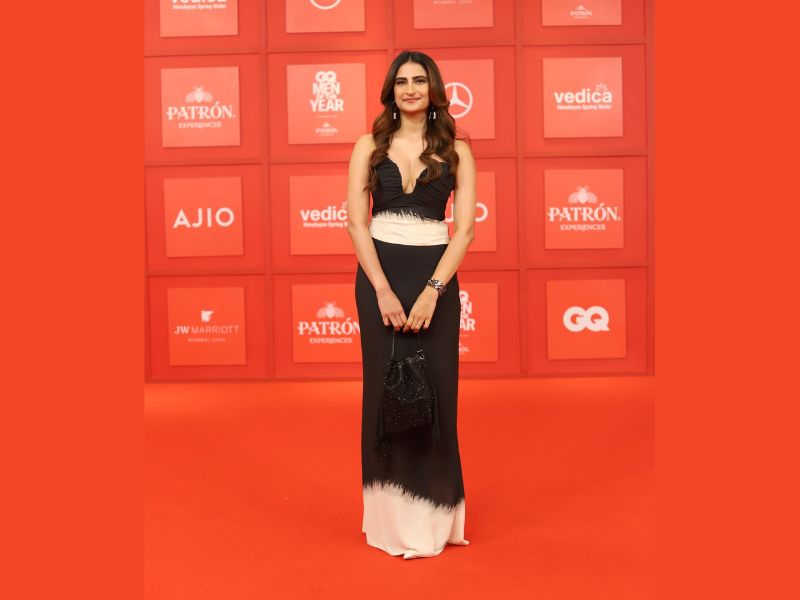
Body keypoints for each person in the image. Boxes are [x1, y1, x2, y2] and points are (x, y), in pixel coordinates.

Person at [346, 50, 477, 559]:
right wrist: (380, 288)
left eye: (419, 80)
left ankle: (433, 516)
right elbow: (357, 223)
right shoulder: (368, 145)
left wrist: (432, 290)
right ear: (391, 91)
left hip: (434, 278)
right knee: (383, 394)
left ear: (433, 88)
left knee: (437, 393)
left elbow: (463, 231)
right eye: (401, 82)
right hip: (379, 276)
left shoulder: (457, 151)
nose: (410, 89)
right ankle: (388, 518)